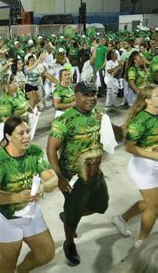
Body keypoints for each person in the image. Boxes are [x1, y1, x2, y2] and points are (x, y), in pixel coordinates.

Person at [46, 81, 110, 266]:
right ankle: (69, 243)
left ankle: (68, 216)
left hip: (95, 172)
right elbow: (51, 150)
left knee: (102, 206)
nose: (91, 98)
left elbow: (111, 139)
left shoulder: (98, 117)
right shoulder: (64, 120)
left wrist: (107, 125)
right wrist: (59, 177)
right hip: (73, 178)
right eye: (86, 94)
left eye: (93, 94)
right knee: (73, 212)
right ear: (76, 96)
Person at [0, 117, 58, 273]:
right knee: (9, 260)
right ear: (8, 137)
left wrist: (43, 188)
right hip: (5, 216)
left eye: (28, 132)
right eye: (21, 133)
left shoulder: (34, 151)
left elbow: (53, 179)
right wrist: (16, 197)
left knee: (46, 253)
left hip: (29, 211)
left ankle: (22, 270)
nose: (27, 136)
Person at [112, 85, 158, 248]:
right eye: (157, 96)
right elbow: (128, 147)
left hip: (154, 165)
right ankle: (141, 243)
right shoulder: (140, 121)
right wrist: (154, 155)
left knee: (150, 203)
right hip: (144, 168)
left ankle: (121, 219)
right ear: (147, 101)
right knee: (154, 207)